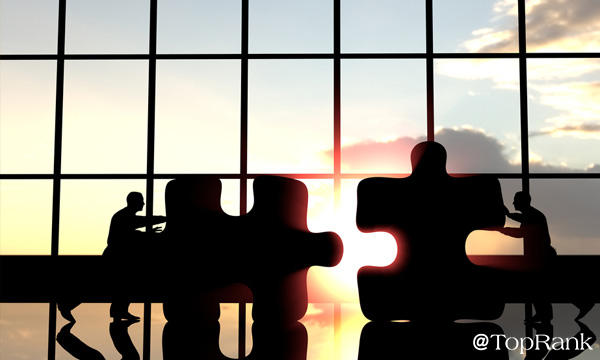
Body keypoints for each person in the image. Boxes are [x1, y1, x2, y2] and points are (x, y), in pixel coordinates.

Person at [103, 192, 166, 321]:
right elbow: (141, 224)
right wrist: (166, 219)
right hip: (116, 257)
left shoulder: (123, 216)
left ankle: (119, 311)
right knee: (122, 283)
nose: (143, 203)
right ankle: (118, 311)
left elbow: (132, 232)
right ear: (134, 202)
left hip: (117, 256)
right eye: (141, 201)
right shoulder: (125, 216)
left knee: (122, 284)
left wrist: (147, 234)